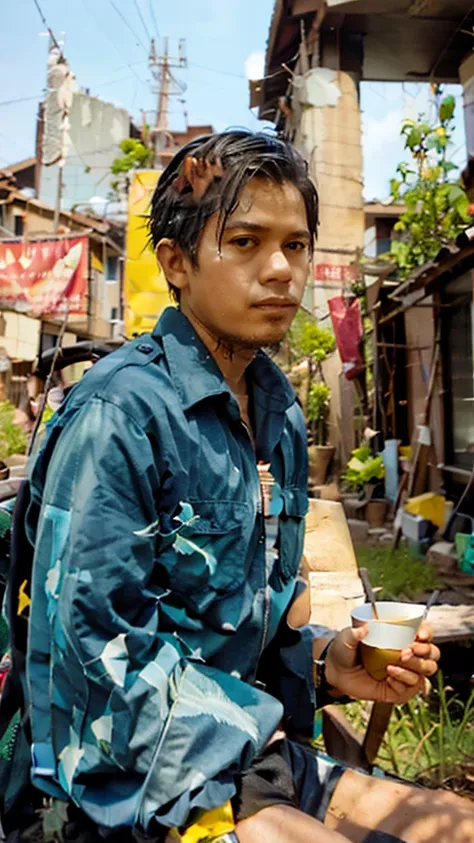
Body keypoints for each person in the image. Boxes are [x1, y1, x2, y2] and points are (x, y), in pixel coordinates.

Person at [23, 131, 473, 843]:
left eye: (296, 245)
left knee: (458, 826)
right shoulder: (121, 414)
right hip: (119, 787)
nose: (281, 269)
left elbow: (246, 633)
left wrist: (331, 662)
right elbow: (96, 668)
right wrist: (260, 739)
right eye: (244, 241)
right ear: (177, 262)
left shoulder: (277, 415)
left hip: (247, 755)